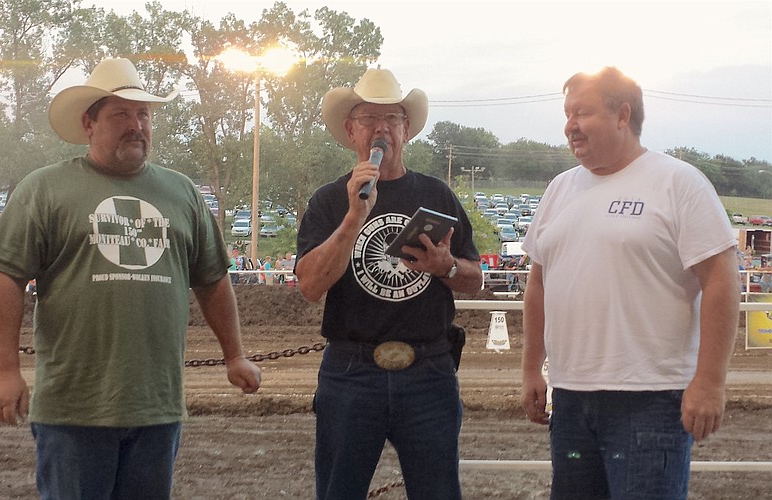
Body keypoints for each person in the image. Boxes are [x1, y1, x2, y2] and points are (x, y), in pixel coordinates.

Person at [0, 57, 261, 499]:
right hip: (73, 409)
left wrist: (235, 356)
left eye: (143, 114)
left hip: (157, 408)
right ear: (89, 123)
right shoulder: (45, 189)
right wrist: (4, 370)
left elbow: (212, 280)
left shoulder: (182, 192)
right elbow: (4, 278)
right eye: (120, 115)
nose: (136, 125)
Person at [520, 66, 740, 499]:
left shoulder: (678, 183)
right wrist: (532, 368)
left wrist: (710, 382)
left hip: (652, 400)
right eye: (567, 114)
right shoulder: (559, 190)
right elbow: (538, 284)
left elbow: (721, 278)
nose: (570, 126)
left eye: (581, 113)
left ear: (623, 115)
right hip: (570, 398)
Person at [294, 68, 482, 500]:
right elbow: (309, 286)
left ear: (407, 130)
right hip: (350, 372)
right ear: (350, 130)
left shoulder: (438, 195)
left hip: (429, 372)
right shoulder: (328, 200)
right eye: (369, 120)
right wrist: (353, 217)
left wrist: (445, 266)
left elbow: (475, 279)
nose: (381, 129)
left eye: (392, 119)